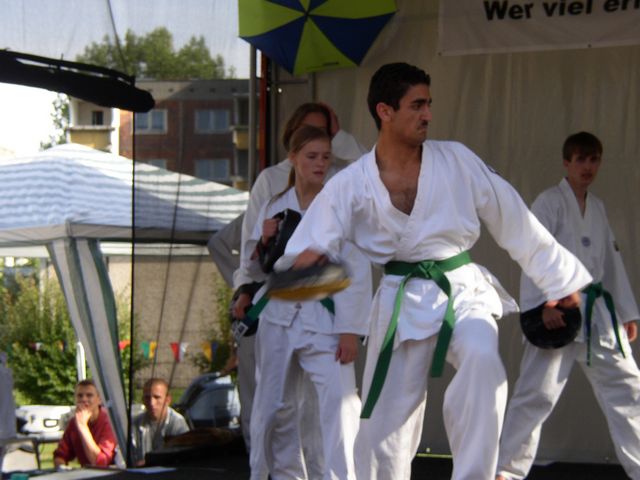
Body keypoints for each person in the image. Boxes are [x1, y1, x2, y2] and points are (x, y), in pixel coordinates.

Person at [279, 62, 592, 480]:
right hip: (399, 297)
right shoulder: (351, 183)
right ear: (385, 111)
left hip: (462, 289)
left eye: (429, 104)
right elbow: (310, 246)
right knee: (385, 430)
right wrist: (303, 267)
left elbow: (514, 218)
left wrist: (559, 279)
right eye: (417, 105)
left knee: (483, 361)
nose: (428, 114)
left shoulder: (456, 159)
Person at [223, 102, 367, 463]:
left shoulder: (340, 197)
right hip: (279, 314)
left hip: (325, 316)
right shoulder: (272, 195)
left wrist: (350, 329)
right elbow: (253, 264)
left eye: (326, 155)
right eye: (311, 155)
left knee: (337, 405)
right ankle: (269, 473)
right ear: (293, 152)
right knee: (275, 406)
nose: (320, 162)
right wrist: (262, 245)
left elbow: (356, 267)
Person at [496, 132, 640, 480]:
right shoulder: (548, 203)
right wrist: (541, 306)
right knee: (536, 395)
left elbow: (611, 260)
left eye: (594, 160)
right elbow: (532, 253)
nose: (587, 167)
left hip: (598, 313)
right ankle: (505, 471)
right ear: (566, 162)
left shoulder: (598, 207)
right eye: (580, 159)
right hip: (557, 311)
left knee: (628, 388)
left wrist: (626, 312)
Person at [53, 379, 117, 468]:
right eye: (80, 396)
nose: (84, 399)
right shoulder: (74, 423)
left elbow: (100, 462)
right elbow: (60, 455)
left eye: (89, 395)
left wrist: (83, 427)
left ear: (99, 399)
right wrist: (62, 468)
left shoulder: (109, 422)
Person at [131, 378, 190, 466]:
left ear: (167, 400)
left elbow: (183, 457)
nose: (151, 403)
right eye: (147, 397)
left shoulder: (177, 423)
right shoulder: (135, 423)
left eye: (157, 397)